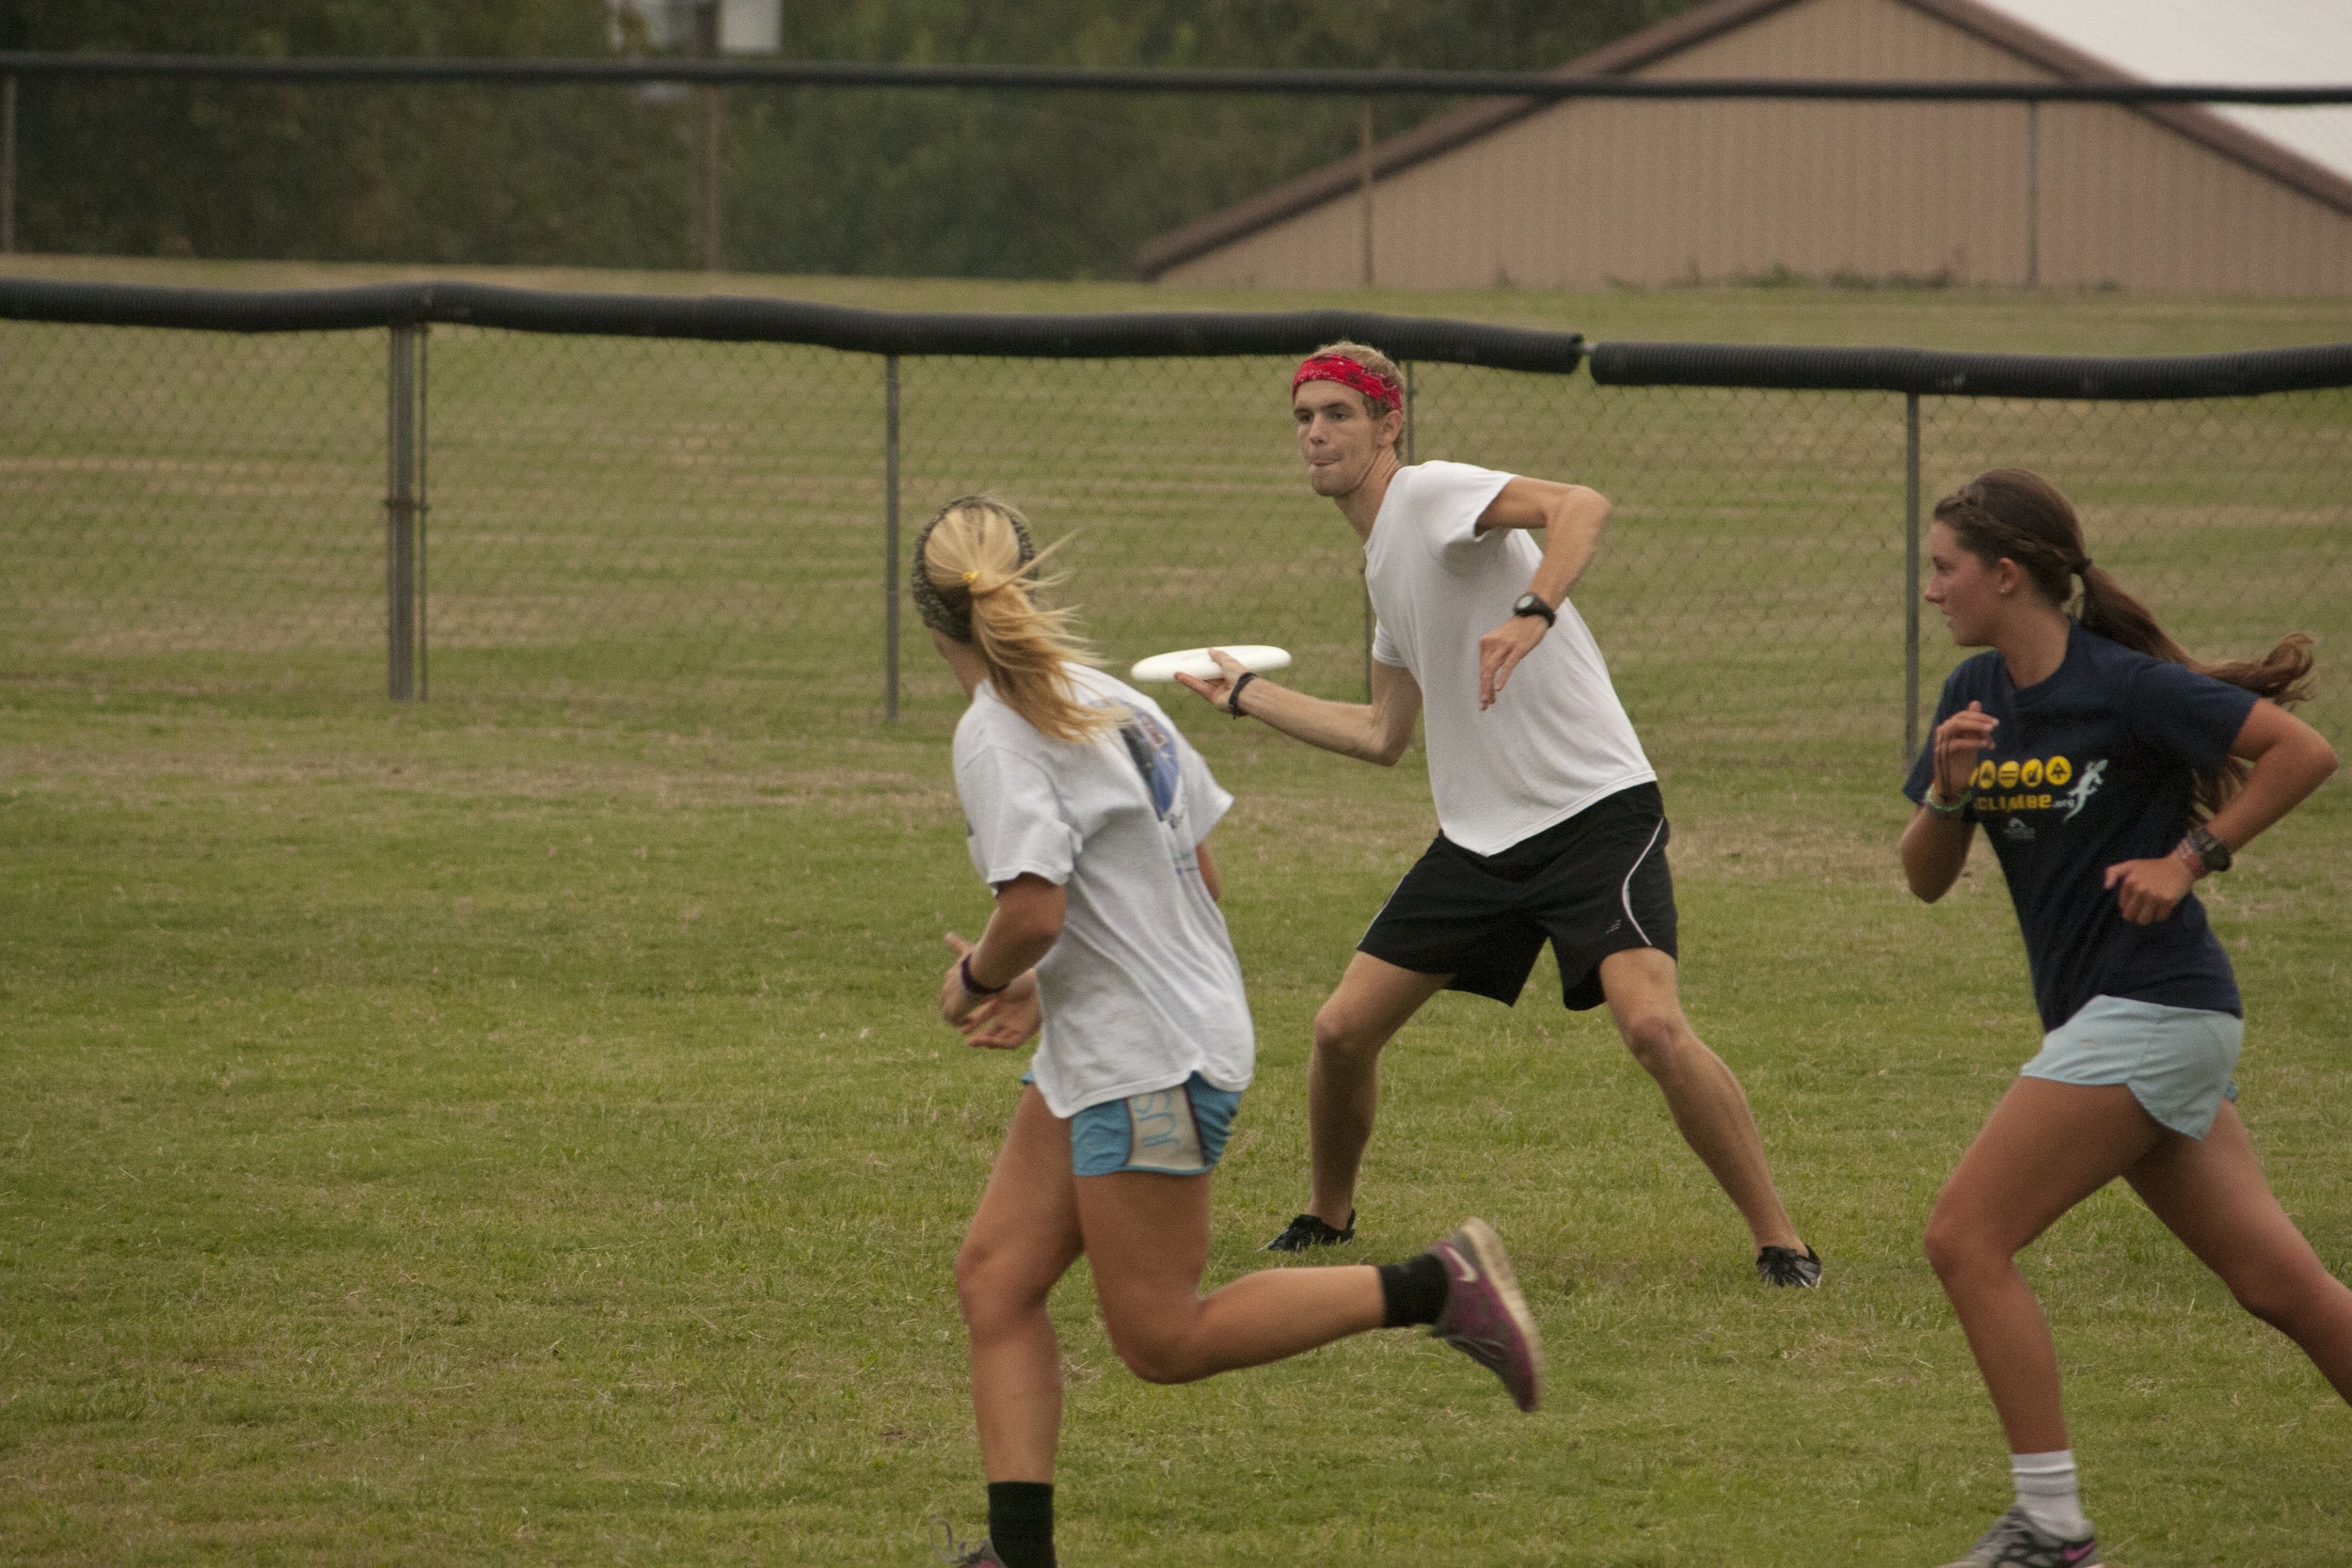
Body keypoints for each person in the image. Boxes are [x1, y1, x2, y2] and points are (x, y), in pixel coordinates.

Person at [913, 496, 1544, 1568]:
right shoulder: (1106, 697)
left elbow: (1032, 910)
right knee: (997, 1278)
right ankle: (1016, 1555)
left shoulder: (997, 733)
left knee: (1162, 1337)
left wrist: (979, 977)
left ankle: (1438, 1284)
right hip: (1126, 1038)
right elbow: (1191, 865)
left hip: (1145, 1059)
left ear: (930, 621)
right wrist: (1052, 983)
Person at [1172, 343, 1816, 1285]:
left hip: (1593, 811)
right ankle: (1327, 1213)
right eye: (1303, 416)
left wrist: (1531, 610)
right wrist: (1246, 695)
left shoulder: (1429, 494)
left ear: (1388, 423)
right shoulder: (1382, 562)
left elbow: (1579, 504)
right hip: (1480, 842)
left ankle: (1780, 1239)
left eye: (1337, 414)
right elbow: (1382, 731)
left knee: (1650, 1027)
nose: (1315, 431)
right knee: (1340, 1030)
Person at [1899, 469, 2349, 1568]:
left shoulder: (2125, 686)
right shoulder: (1974, 690)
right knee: (2279, 1285)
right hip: (2127, 1022)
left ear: (2005, 574)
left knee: (1964, 1236)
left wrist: (2190, 856)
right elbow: (1921, 876)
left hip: (2153, 1005)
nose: (1931, 589)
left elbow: (2302, 752)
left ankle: (2051, 1527)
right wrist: (1949, 789)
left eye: (1943, 567)